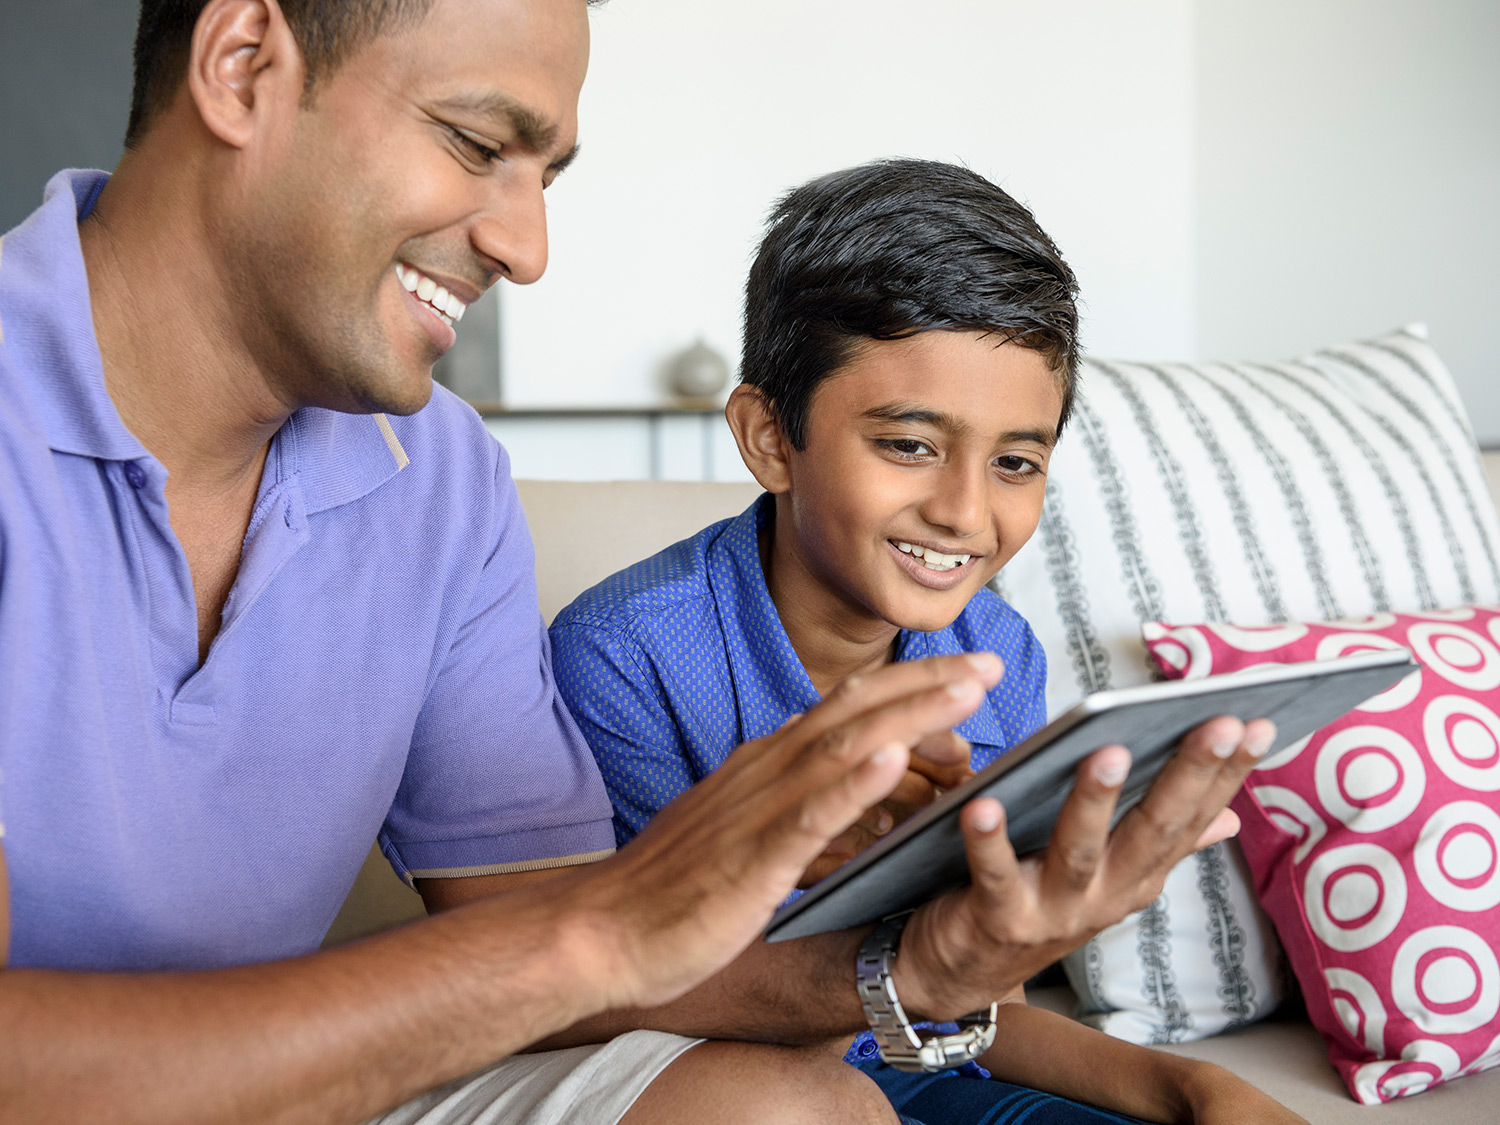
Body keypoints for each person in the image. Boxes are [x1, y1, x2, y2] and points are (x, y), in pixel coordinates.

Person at [0, 2, 1269, 1122]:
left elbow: (535, 938)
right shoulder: (639, 641)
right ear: (239, 61)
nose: (526, 245)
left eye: (548, 170)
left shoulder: (439, 479)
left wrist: (909, 974)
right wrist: (596, 930)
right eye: (478, 142)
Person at [549, 161, 1307, 1124]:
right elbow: (605, 994)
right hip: (734, 1078)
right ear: (771, 437)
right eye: (909, 444)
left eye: (1015, 462)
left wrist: (1198, 1086)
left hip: (936, 1068)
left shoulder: (998, 651)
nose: (964, 512)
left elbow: (985, 1007)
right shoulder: (624, 656)